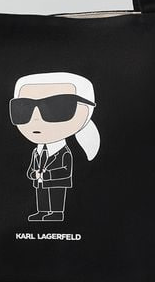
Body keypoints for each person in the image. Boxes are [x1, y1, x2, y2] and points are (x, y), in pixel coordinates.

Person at [9, 71, 100, 222]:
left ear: (86, 111)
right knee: (42, 196)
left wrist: (46, 175)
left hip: (57, 183)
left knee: (56, 196)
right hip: (40, 182)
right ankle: (42, 212)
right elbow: (32, 167)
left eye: (58, 107)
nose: (36, 117)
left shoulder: (64, 152)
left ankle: (57, 213)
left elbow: (66, 171)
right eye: (24, 108)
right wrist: (33, 174)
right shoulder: (36, 152)